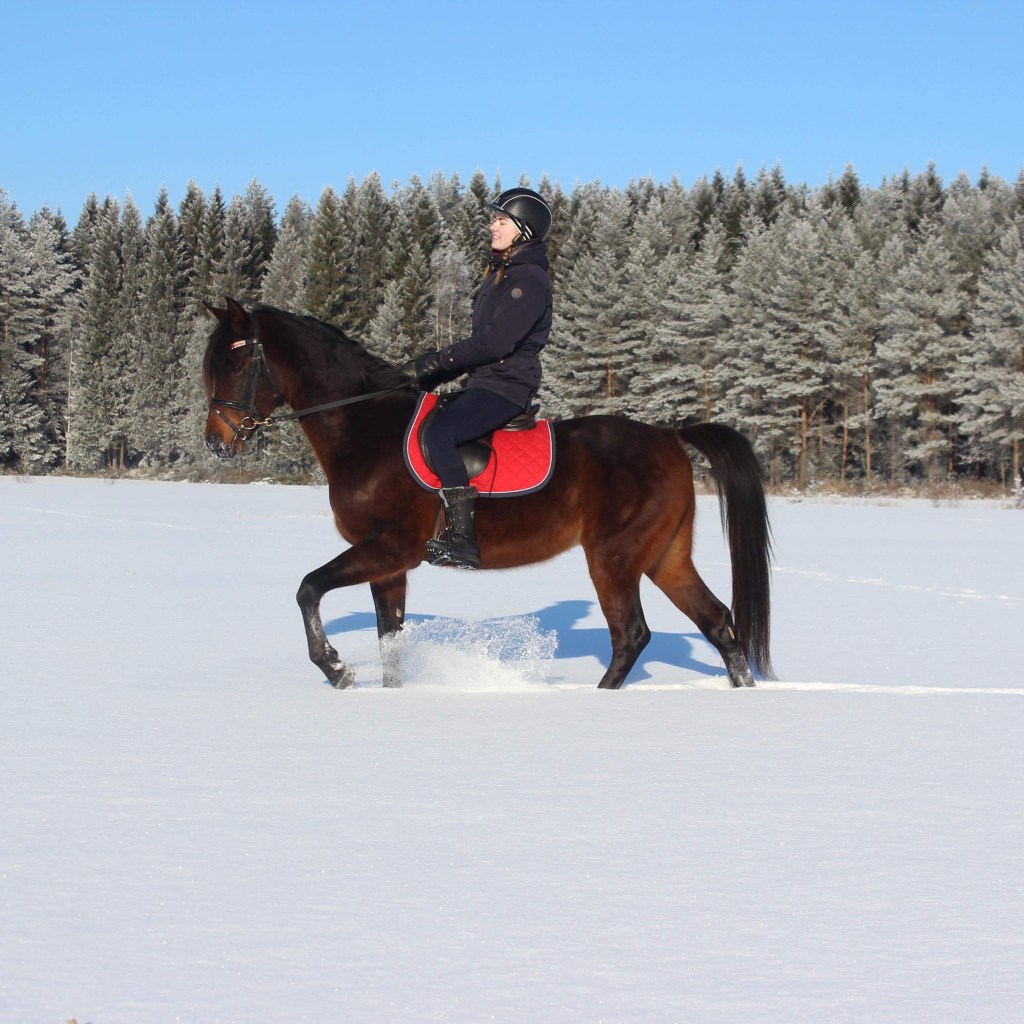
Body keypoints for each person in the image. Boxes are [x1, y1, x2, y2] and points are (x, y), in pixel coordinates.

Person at [414, 187, 553, 569]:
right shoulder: (503, 272)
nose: (493, 225)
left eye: (502, 220)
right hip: (487, 380)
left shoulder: (528, 279)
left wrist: (442, 360)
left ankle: (462, 541)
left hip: (507, 386)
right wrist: (441, 372)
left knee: (442, 433)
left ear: (523, 230)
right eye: (494, 218)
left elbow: (496, 342)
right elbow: (484, 345)